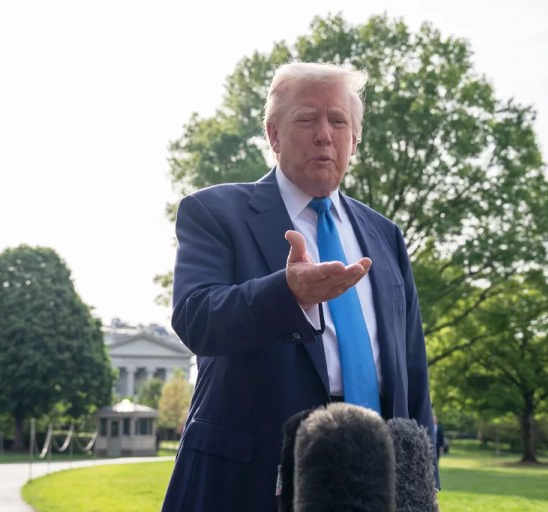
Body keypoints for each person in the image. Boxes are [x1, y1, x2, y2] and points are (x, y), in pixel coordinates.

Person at [161, 61, 435, 512]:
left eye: (339, 121)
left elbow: (411, 365)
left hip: (376, 481)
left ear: (354, 138)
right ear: (273, 135)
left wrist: (423, 482)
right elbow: (196, 318)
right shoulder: (213, 212)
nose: (324, 134)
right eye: (307, 119)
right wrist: (288, 294)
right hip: (251, 480)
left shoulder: (386, 235)